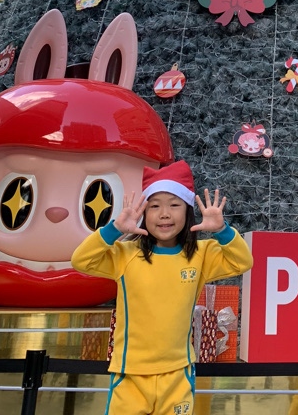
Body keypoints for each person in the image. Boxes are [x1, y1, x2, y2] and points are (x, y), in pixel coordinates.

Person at [71, 159, 253, 415]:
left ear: (187, 211)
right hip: (130, 372)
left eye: (174, 205)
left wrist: (222, 230)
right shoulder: (125, 254)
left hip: (177, 372)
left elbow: (242, 262)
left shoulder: (201, 254)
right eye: (154, 206)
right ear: (144, 214)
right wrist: (114, 230)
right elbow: (81, 260)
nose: (164, 214)